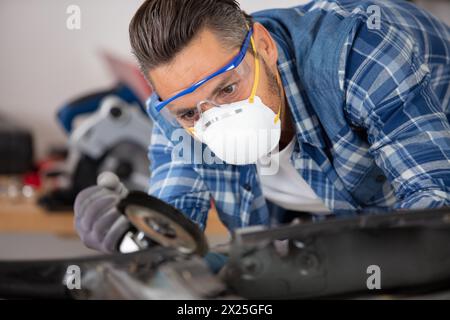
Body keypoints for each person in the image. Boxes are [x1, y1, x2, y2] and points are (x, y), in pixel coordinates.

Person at [75, 0, 450, 254]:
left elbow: (434, 213)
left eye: (227, 89)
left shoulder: (358, 58)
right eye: (190, 114)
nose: (215, 119)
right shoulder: (175, 112)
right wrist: (133, 234)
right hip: (336, 208)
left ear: (264, 47)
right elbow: (173, 233)